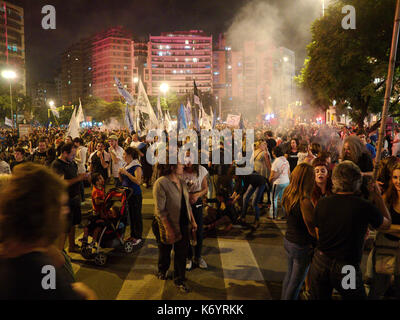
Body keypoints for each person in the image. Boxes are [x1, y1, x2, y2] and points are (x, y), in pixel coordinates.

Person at [0, 163, 96, 300]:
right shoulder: (44, 268)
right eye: (62, 205)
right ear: (47, 212)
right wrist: (87, 295)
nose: (66, 210)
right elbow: (50, 291)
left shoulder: (10, 255)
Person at [309, 161, 391, 300]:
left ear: (334, 180)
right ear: (357, 181)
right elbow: (386, 224)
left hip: (320, 262)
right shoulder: (363, 206)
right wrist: (377, 196)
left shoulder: (323, 202)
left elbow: (318, 232)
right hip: (347, 267)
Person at [152, 163, 197, 293]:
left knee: (181, 253)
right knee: (165, 249)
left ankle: (179, 279)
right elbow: (160, 211)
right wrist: (168, 229)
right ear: (172, 167)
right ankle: (162, 269)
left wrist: (193, 221)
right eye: (180, 164)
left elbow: (187, 204)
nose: (183, 165)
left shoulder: (182, 182)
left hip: (182, 223)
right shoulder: (161, 183)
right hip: (167, 224)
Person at [281, 163, 316, 300]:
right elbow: (311, 229)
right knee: (295, 284)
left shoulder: (289, 193)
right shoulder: (304, 201)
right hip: (301, 245)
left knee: (289, 278)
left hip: (289, 240)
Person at [368, 163, 400, 299]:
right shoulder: (388, 197)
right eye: (395, 177)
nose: (398, 181)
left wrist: (389, 227)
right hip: (385, 248)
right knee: (378, 288)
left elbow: (385, 226)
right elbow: (378, 224)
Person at [51, 143, 88, 253]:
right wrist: (78, 179)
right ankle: (60, 251)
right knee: (64, 228)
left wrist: (84, 177)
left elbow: (75, 176)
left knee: (73, 224)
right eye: (72, 155)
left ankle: (72, 246)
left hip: (74, 198)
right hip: (64, 201)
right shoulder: (57, 165)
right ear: (64, 153)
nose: (73, 157)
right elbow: (61, 183)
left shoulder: (72, 163)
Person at [182, 161, 209, 271]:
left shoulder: (201, 169)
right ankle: (188, 257)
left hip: (196, 202)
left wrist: (197, 195)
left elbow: (205, 188)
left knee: (198, 230)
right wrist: (186, 196)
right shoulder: (180, 169)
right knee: (186, 230)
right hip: (183, 202)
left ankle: (198, 256)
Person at [119, 147, 143, 246]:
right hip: (127, 194)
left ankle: (138, 237)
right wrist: (120, 174)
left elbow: (138, 181)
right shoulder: (126, 165)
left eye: (124, 154)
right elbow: (123, 181)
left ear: (130, 155)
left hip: (135, 194)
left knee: (136, 216)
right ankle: (133, 235)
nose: (123, 156)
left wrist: (127, 173)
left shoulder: (136, 166)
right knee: (131, 216)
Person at [270, 146, 290, 220]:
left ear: (275, 153)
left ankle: (273, 215)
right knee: (283, 199)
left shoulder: (276, 161)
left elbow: (272, 175)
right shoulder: (285, 160)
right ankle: (286, 214)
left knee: (273, 198)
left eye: (273, 153)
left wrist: (270, 180)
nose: (272, 154)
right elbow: (288, 172)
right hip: (286, 181)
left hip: (278, 182)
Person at [73, 137, 88, 202]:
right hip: (80, 167)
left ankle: (82, 198)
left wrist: (74, 158)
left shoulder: (81, 150)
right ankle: (82, 198)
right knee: (80, 184)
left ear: (78, 143)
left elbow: (81, 160)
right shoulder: (81, 149)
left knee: (80, 184)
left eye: (75, 143)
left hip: (81, 168)